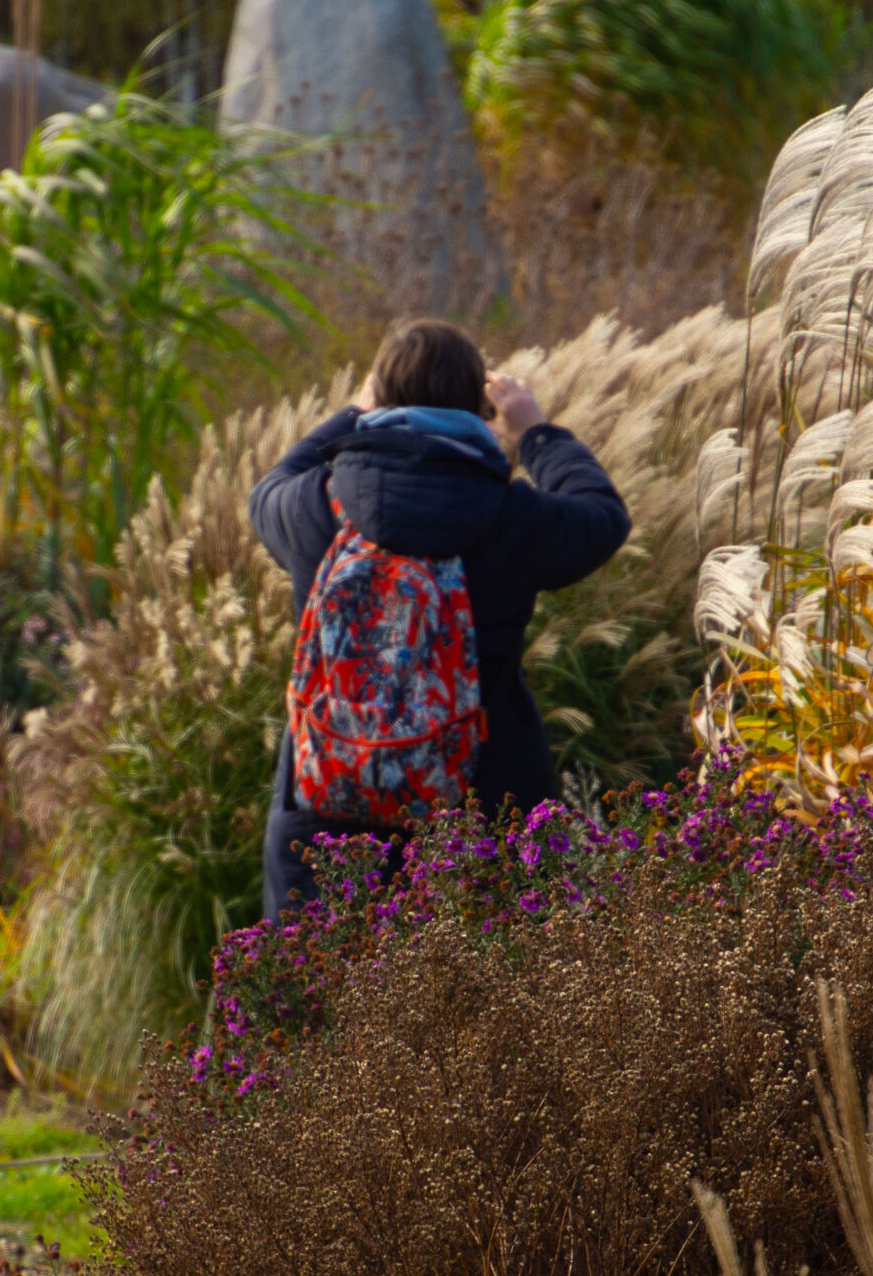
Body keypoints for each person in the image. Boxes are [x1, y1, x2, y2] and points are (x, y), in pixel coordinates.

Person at [249, 317, 630, 920]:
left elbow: (268, 487)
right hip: (483, 804)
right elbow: (603, 518)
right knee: (490, 1005)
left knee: (321, 999)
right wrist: (535, 433)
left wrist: (352, 411)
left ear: (379, 395)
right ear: (478, 404)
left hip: (324, 813)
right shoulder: (509, 515)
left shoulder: (314, 507)